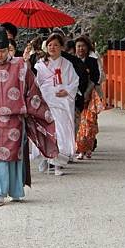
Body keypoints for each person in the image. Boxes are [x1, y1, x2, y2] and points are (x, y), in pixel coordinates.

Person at [0, 26, 59, 207]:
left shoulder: (20, 65)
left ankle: (15, 190)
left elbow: (32, 90)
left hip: (16, 118)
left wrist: (33, 109)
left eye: (3, 51)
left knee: (15, 156)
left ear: (9, 49)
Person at [33, 33, 79, 175]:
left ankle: (58, 164)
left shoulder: (67, 64)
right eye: (50, 45)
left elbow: (74, 81)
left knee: (60, 132)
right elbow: (36, 83)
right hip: (46, 101)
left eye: (56, 45)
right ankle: (44, 159)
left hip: (61, 102)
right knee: (45, 131)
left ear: (61, 47)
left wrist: (67, 91)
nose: (52, 48)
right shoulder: (40, 64)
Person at [74, 35, 102, 159]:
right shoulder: (72, 61)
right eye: (78, 46)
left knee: (89, 123)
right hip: (76, 95)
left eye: (83, 46)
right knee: (79, 123)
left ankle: (89, 148)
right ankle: (80, 149)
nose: (81, 49)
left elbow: (95, 78)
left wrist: (87, 92)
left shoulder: (92, 61)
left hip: (90, 95)